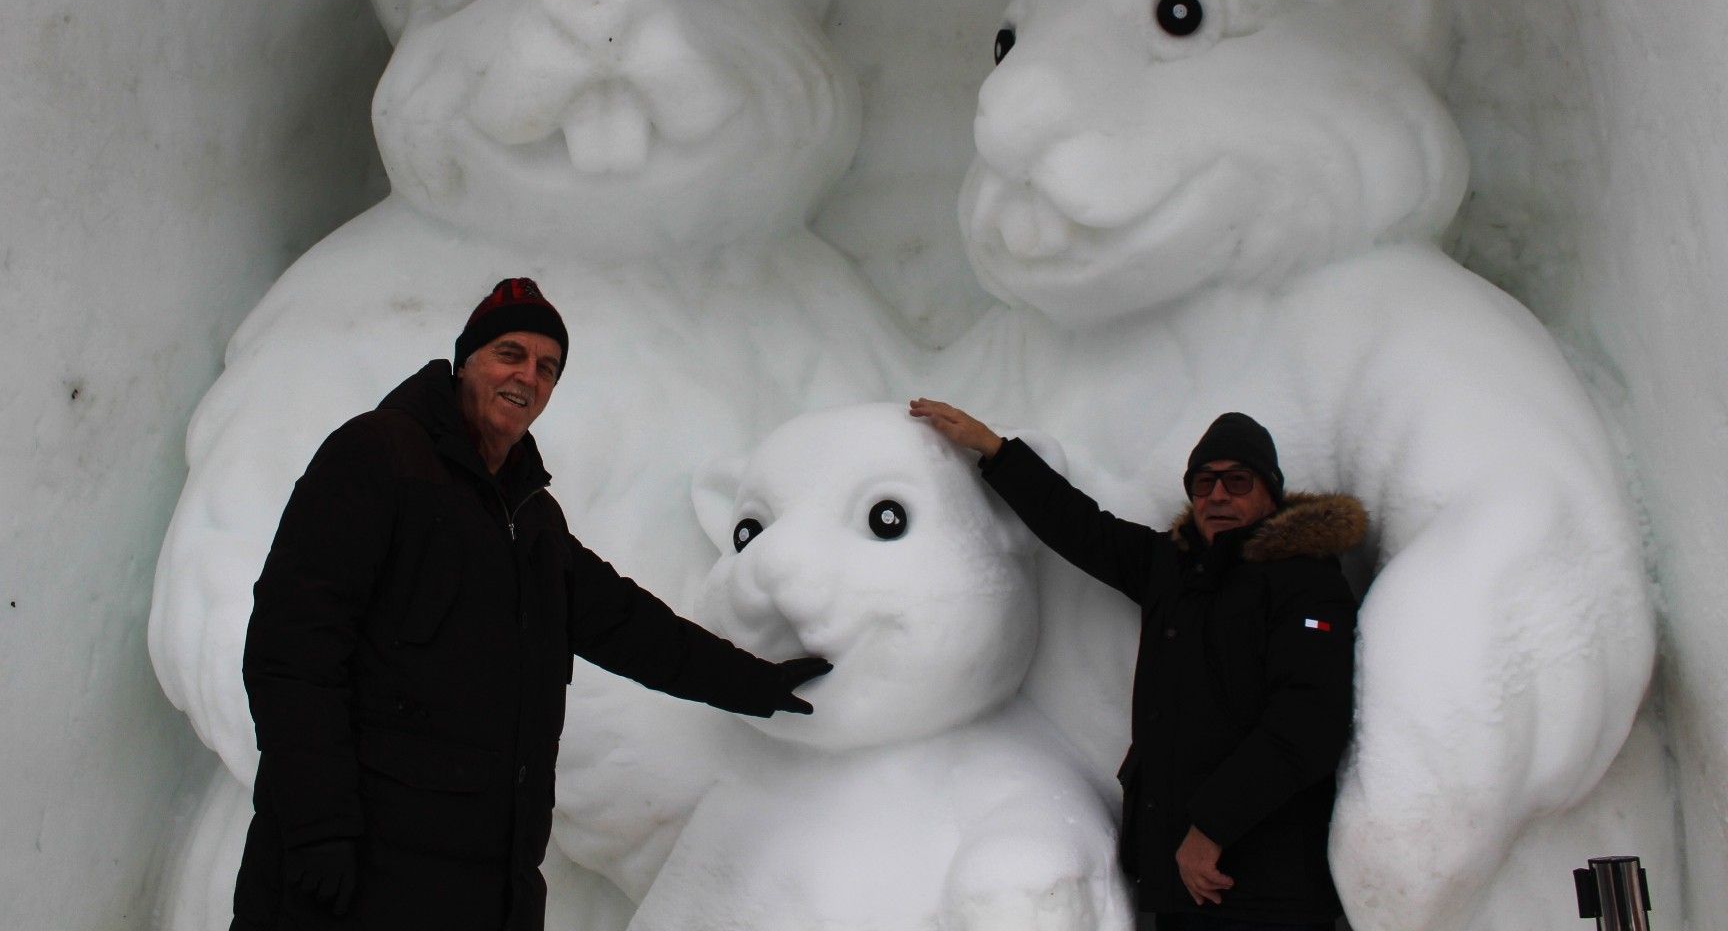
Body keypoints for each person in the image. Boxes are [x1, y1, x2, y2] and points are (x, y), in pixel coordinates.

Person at [233, 278, 830, 931]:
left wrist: (757, 682)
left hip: (481, 883)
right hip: (356, 869)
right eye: (510, 354)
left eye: (548, 368)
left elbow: (630, 626)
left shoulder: (530, 516)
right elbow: (291, 652)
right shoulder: (377, 458)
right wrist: (320, 828)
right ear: (466, 360)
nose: (529, 377)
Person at [910, 398, 1363, 931]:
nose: (1217, 494)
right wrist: (995, 450)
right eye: (1204, 482)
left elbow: (1307, 723)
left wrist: (1211, 829)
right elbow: (1082, 528)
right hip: (1182, 881)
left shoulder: (1305, 582)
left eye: (1238, 481)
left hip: (1266, 885)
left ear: (1271, 491)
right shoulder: (1173, 568)